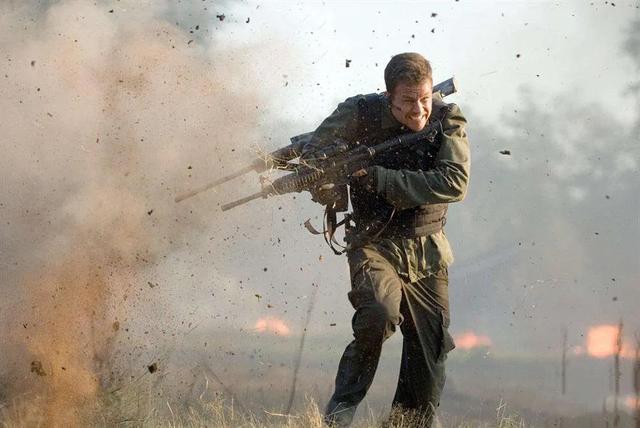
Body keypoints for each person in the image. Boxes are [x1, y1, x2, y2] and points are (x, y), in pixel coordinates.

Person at [302, 52, 470, 427]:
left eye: (424, 98)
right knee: (377, 315)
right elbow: (315, 156)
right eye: (408, 101)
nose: (419, 110)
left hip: (427, 251)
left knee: (430, 349)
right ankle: (337, 417)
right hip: (372, 242)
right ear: (388, 96)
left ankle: (406, 423)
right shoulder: (359, 113)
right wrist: (326, 180)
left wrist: (378, 178)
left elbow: (454, 183)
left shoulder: (448, 119)